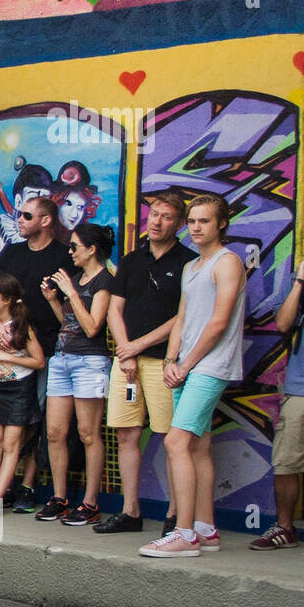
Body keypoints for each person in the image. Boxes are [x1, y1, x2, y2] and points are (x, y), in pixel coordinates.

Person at [141, 195, 246, 558]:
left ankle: (184, 533)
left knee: (175, 443)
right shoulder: (191, 267)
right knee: (198, 445)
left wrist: (185, 366)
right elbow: (183, 319)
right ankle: (205, 527)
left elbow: (219, 321)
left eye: (204, 221)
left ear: (222, 224)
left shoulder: (227, 262)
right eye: (193, 221)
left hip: (209, 367)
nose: (196, 227)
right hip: (185, 366)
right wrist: (171, 359)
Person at [98, 191, 195, 533]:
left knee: (171, 438)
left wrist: (137, 346)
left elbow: (182, 317)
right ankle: (130, 512)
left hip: (163, 363)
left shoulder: (188, 262)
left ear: (180, 224)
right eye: (153, 214)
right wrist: (125, 350)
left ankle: (174, 516)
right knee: (126, 435)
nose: (156, 221)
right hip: (126, 364)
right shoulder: (132, 259)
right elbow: (114, 308)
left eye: (166, 216)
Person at [0, 195, 74, 512]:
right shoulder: (11, 252)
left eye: (25, 215)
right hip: (8, 350)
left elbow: (74, 308)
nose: (19, 219)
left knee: (38, 418)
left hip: (49, 351)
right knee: (12, 419)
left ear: (46, 220)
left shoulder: (64, 256)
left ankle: (28, 483)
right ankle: (4, 485)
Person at [37, 222, 114, 525]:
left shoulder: (104, 281)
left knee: (88, 433)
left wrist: (70, 291)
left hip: (90, 362)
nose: (70, 252)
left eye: (74, 247)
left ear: (92, 249)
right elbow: (69, 322)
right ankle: (60, 499)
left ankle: (91, 503)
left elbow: (93, 326)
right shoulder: (79, 279)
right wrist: (56, 300)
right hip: (62, 358)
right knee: (55, 432)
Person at [0, 272, 45, 516]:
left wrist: (8, 355)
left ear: (7, 300)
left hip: (20, 388)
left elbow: (39, 362)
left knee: (10, 443)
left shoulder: (21, 325)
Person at [250, 257, 304, 550]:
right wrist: (300, 282)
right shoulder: (300, 280)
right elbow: (283, 323)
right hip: (300, 388)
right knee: (285, 462)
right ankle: (285, 528)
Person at [0, 162, 54, 268]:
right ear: (18, 201)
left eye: (45, 199)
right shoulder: (1, 241)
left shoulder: (53, 240)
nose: (38, 205)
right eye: (32, 198)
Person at [50, 161, 102, 246]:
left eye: (80, 207)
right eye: (68, 203)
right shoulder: (44, 235)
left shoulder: (86, 241)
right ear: (56, 202)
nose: (74, 215)